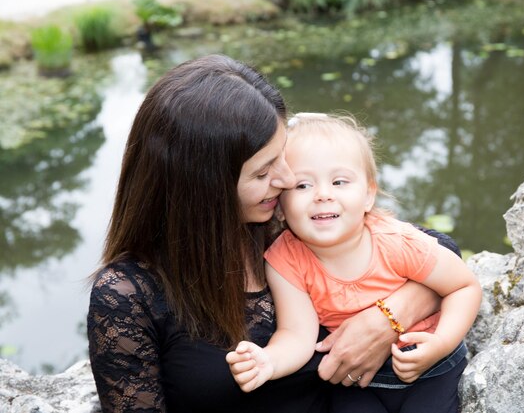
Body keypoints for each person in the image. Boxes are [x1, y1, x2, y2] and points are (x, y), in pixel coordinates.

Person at [86, 55, 447, 413]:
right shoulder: (128, 296)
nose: (288, 180)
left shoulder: (286, 227)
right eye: (262, 173)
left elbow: (439, 247)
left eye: (282, 157)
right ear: (204, 187)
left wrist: (384, 320)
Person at [226, 113, 482, 413]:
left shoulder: (394, 241)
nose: (323, 195)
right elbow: (297, 334)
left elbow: (464, 287)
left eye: (339, 181)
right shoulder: (286, 259)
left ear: (368, 195)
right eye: (303, 186)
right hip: (358, 382)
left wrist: (439, 344)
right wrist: (268, 361)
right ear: (280, 207)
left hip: (430, 370)